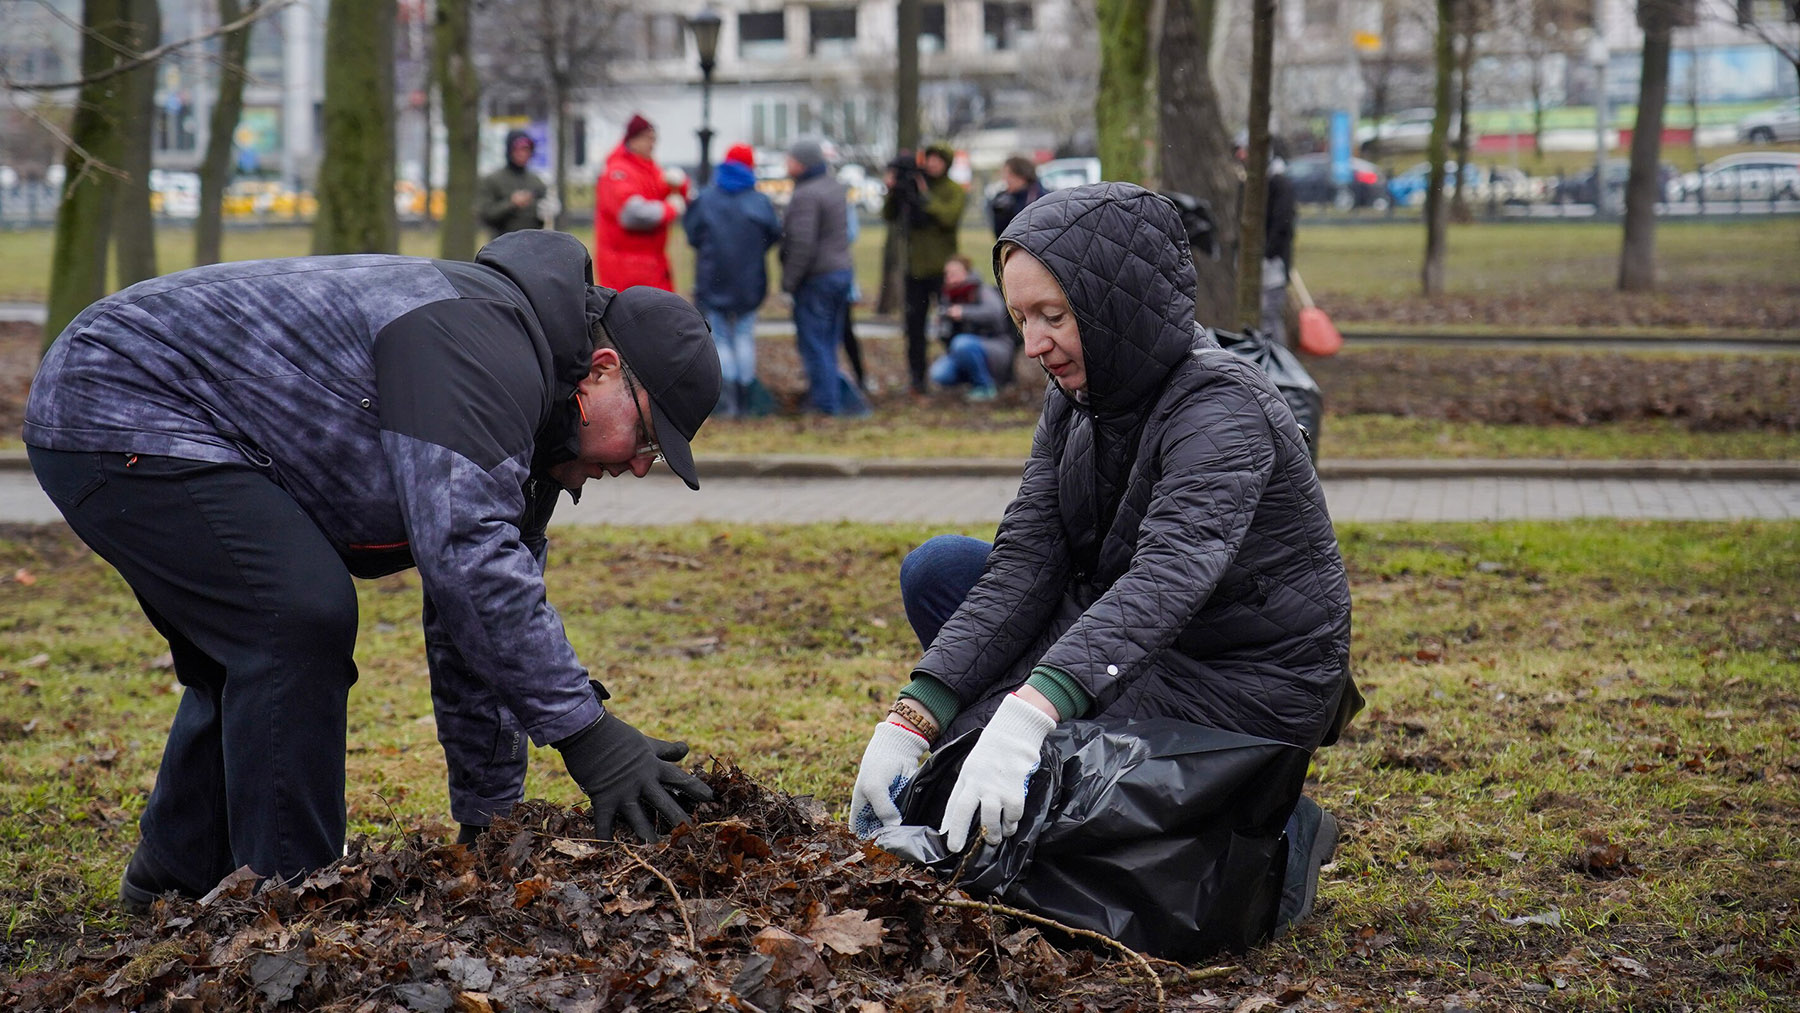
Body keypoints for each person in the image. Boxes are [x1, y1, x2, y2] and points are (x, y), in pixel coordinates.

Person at [24, 229, 721, 912]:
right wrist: (588, 735)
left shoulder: (536, 424)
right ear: (601, 368)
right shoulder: (487, 352)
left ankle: (173, 877)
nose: (635, 464)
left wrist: (490, 824)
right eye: (648, 438)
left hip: (156, 410)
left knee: (256, 642)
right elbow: (469, 565)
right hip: (118, 394)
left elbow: (476, 623)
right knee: (293, 618)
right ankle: (293, 904)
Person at [850, 182, 1355, 931]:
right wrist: (914, 715)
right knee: (944, 576)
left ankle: (1265, 824)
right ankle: (1136, 788)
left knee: (1000, 784)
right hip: (1137, 642)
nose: (1033, 343)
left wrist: (1028, 713)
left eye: (1054, 316)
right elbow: (1025, 557)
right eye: (1022, 317)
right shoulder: (1076, 399)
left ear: (1123, 304)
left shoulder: (1224, 405)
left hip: (1244, 679)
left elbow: (1170, 573)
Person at [684, 142, 782, 417]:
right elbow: (774, 234)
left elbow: (692, 235)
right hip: (750, 281)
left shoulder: (706, 198)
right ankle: (746, 397)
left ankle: (726, 400)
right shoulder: (759, 201)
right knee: (744, 335)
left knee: (722, 338)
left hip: (713, 278)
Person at [779, 138, 857, 415]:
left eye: (789, 159)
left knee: (815, 344)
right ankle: (834, 399)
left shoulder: (806, 194)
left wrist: (789, 282)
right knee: (829, 341)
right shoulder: (833, 187)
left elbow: (802, 243)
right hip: (840, 273)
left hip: (817, 278)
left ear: (802, 163)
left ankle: (825, 405)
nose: (786, 164)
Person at [882, 142, 966, 395]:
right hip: (915, 269)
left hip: (943, 271)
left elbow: (948, 217)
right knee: (914, 327)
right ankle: (916, 379)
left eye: (937, 160)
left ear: (947, 163)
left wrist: (924, 197)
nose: (932, 164)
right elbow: (889, 215)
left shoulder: (953, 190)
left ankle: (957, 374)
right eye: (928, 159)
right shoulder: (913, 183)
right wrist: (894, 191)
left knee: (950, 326)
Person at [595, 113, 687, 292]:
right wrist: (670, 209)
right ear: (634, 139)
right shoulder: (619, 171)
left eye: (654, 139)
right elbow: (633, 214)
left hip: (650, 265)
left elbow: (660, 190)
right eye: (648, 138)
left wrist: (681, 185)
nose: (653, 144)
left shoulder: (647, 168)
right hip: (627, 268)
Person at [927, 254, 1016, 402]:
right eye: (947, 274)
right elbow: (940, 334)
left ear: (967, 273)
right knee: (939, 373)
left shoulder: (981, 290)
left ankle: (985, 387)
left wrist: (964, 313)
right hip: (961, 349)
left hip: (995, 346)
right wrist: (940, 324)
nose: (950, 277)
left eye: (954, 273)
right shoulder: (947, 297)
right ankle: (974, 379)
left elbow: (995, 313)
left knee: (962, 343)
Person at [1236, 134, 1297, 345]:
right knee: (1254, 317)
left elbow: (1282, 224)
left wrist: (1267, 254)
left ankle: (1277, 360)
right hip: (1254, 261)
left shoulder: (1279, 184)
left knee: (1269, 316)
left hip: (1272, 263)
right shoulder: (1246, 184)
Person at [477, 128, 549, 237]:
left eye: (527, 149)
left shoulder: (536, 181)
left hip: (532, 244)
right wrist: (512, 203)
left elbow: (543, 219)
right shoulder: (493, 180)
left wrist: (548, 210)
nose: (523, 154)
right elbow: (485, 214)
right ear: (510, 150)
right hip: (501, 244)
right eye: (518, 149)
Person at [987, 155, 1045, 238]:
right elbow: (1000, 236)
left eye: (1009, 174)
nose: (1005, 179)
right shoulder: (1003, 199)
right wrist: (1000, 214)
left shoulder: (1040, 198)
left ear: (1022, 177)